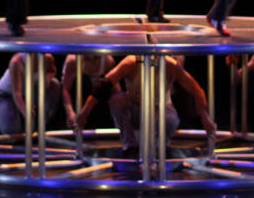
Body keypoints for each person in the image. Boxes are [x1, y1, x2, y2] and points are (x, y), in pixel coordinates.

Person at [74, 55, 216, 156]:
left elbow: (197, 90)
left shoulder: (170, 65)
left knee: (168, 119)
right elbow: (103, 85)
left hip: (160, 110)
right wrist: (84, 113)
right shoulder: (131, 62)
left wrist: (205, 118)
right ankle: (130, 147)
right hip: (136, 109)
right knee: (117, 100)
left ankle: (159, 149)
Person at [0, 53, 61, 134]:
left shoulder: (47, 57)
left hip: (29, 91)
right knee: (12, 132)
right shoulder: (17, 62)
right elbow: (16, 93)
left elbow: (52, 71)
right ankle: (20, 130)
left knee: (54, 84)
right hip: (6, 95)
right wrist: (27, 113)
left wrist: (48, 77)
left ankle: (44, 122)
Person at [61, 54, 116, 128]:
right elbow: (65, 89)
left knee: (104, 85)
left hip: (98, 104)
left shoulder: (108, 60)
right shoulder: (73, 60)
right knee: (85, 80)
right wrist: (70, 113)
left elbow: (114, 87)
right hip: (79, 102)